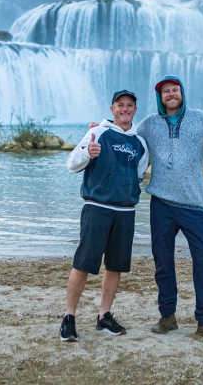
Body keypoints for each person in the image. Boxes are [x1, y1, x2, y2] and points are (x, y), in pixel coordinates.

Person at [138, 76, 203, 343]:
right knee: (163, 262)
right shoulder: (148, 124)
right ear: (160, 97)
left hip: (193, 205)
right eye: (166, 91)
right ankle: (167, 317)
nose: (171, 94)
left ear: (181, 93)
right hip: (161, 203)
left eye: (175, 90)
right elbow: (128, 141)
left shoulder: (199, 119)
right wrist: (101, 131)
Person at [60, 89, 149, 342]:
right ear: (112, 109)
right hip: (97, 208)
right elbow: (71, 163)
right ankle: (69, 318)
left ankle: (104, 316)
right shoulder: (98, 132)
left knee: (115, 266)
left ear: (135, 109)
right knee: (83, 263)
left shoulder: (140, 143)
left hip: (125, 211)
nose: (125, 109)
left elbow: (139, 175)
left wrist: (128, 192)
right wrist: (87, 153)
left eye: (129, 105)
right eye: (120, 105)